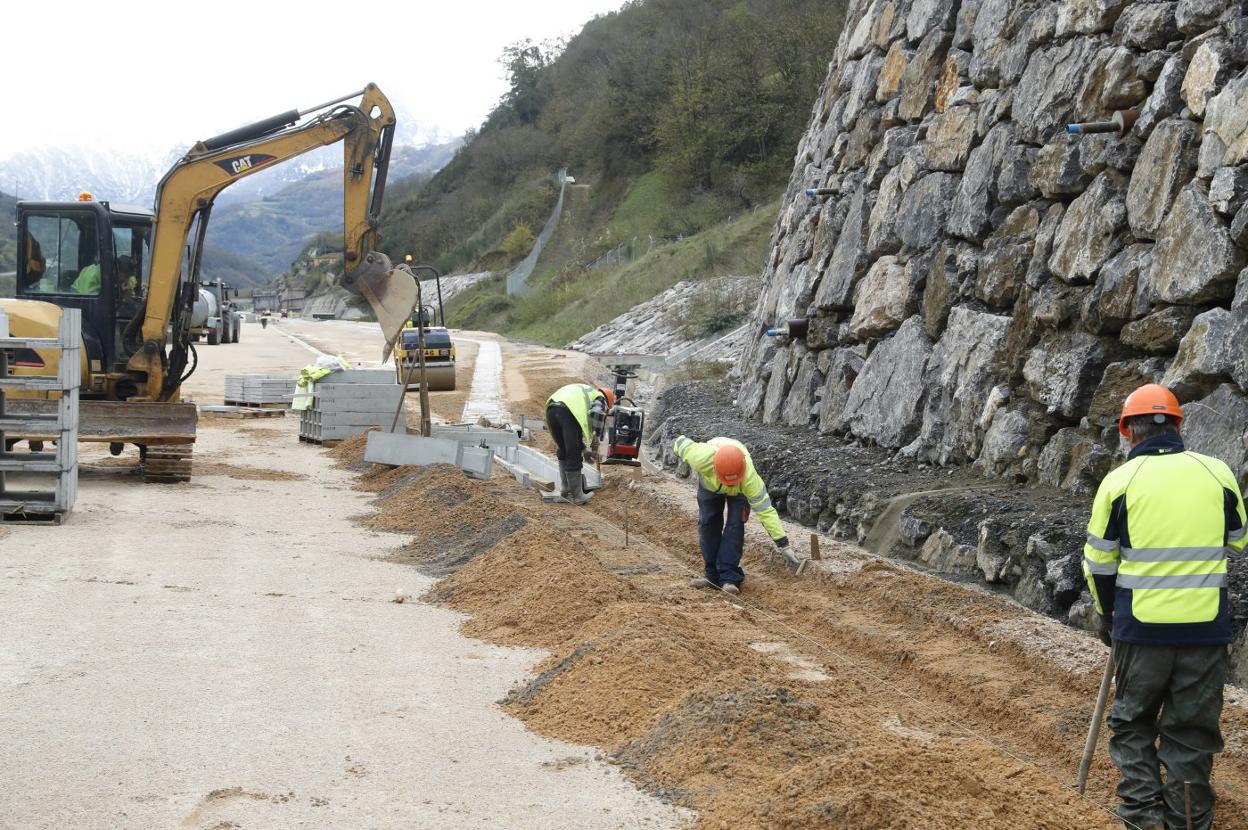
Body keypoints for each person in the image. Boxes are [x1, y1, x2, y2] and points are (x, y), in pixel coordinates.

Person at [1083, 384, 1247, 830]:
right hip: (1205, 632)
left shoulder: (1119, 482)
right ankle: (1187, 822)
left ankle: (1142, 817)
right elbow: (1238, 540)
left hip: (1141, 631)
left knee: (1133, 722)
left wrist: (1107, 615)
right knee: (1191, 734)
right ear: (1178, 425)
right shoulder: (1217, 473)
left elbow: (1099, 564)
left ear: (1128, 432)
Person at [672, 435, 790, 595]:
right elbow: (680, 442)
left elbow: (765, 510)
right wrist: (676, 449)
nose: (730, 484)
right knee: (708, 524)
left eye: (733, 481)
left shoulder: (749, 478)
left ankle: (729, 578)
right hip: (710, 486)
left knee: (735, 527)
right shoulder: (700, 457)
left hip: (740, 492)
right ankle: (712, 577)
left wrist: (783, 543)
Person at [544, 383, 614, 505]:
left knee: (564, 450)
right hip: (567, 413)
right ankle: (577, 496)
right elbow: (597, 413)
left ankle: (566, 491)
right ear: (608, 402)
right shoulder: (600, 398)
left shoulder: (586, 393)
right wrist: (596, 440)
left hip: (552, 409)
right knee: (573, 454)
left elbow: (571, 441)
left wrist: (583, 449)